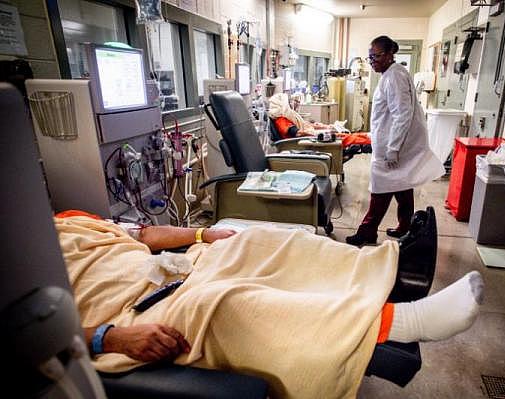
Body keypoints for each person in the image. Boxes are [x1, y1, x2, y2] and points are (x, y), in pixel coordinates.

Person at [55, 211, 483, 398]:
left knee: (263, 241)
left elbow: (145, 236)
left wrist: (203, 236)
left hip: (167, 270)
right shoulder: (16, 265)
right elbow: (21, 339)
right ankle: (400, 321)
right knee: (227, 301)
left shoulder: (67, 219)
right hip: (126, 315)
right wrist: (107, 339)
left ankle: (397, 271)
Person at [346, 36, 445, 246]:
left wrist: (392, 148)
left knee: (381, 187)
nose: (372, 61)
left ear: (390, 55)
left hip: (394, 147)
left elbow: (402, 114)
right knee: (402, 184)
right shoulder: (392, 73)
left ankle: (367, 232)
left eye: (377, 56)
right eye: (370, 56)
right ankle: (405, 227)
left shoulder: (394, 77)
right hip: (394, 143)